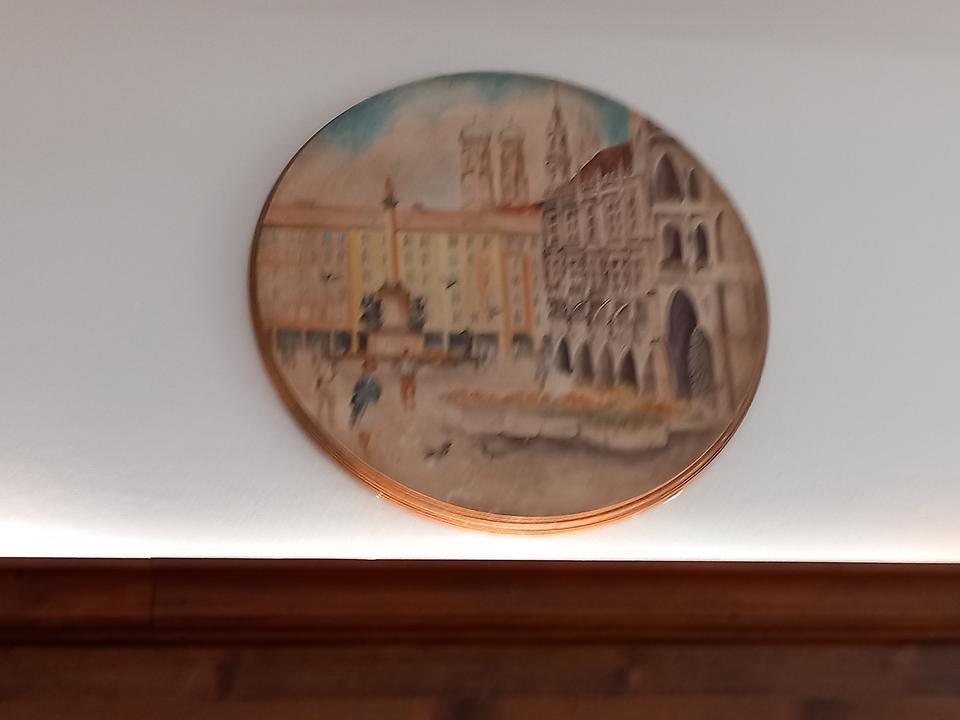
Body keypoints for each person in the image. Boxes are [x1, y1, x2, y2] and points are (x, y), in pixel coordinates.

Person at [350, 358, 382, 455]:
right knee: (360, 432)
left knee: (366, 431)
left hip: (369, 409)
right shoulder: (360, 381)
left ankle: (366, 449)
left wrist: (371, 400)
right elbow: (355, 393)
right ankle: (364, 449)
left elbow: (377, 394)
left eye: (368, 368)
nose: (365, 370)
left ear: (372, 370)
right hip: (359, 407)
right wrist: (354, 405)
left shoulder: (375, 382)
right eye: (364, 368)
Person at [313, 355, 337, 428]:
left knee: (325, 404)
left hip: (327, 386)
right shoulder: (327, 366)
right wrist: (318, 386)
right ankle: (324, 420)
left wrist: (318, 386)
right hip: (327, 386)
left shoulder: (327, 366)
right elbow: (320, 378)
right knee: (324, 404)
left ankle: (327, 420)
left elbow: (320, 378)